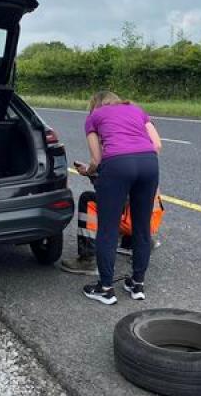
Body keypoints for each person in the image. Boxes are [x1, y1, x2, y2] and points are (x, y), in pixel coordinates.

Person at [75, 90, 162, 304]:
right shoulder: (137, 110)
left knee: (108, 228)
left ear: (95, 104)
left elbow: (97, 159)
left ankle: (105, 289)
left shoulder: (94, 117)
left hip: (117, 165)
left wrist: (87, 171)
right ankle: (137, 284)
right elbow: (157, 145)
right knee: (142, 227)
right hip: (149, 163)